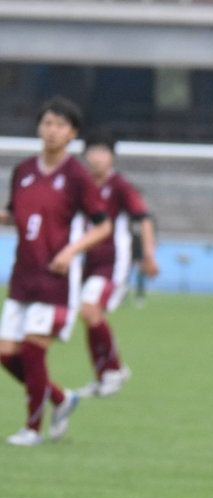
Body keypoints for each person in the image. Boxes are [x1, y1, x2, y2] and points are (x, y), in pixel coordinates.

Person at [0, 96, 111, 446]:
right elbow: (14, 215)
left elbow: (103, 225)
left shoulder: (76, 176)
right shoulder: (23, 171)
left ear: (72, 133)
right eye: (47, 123)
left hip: (56, 278)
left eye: (60, 125)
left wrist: (71, 251)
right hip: (23, 275)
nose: (52, 130)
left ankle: (32, 429)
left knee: (33, 351)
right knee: (6, 354)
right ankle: (62, 399)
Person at [75, 131, 160, 397]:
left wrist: (148, 255)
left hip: (113, 263)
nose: (97, 157)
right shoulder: (80, 185)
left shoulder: (120, 186)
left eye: (103, 152)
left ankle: (114, 369)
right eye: (93, 151)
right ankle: (104, 375)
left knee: (90, 311)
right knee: (90, 317)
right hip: (85, 262)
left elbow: (143, 218)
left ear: (111, 157)